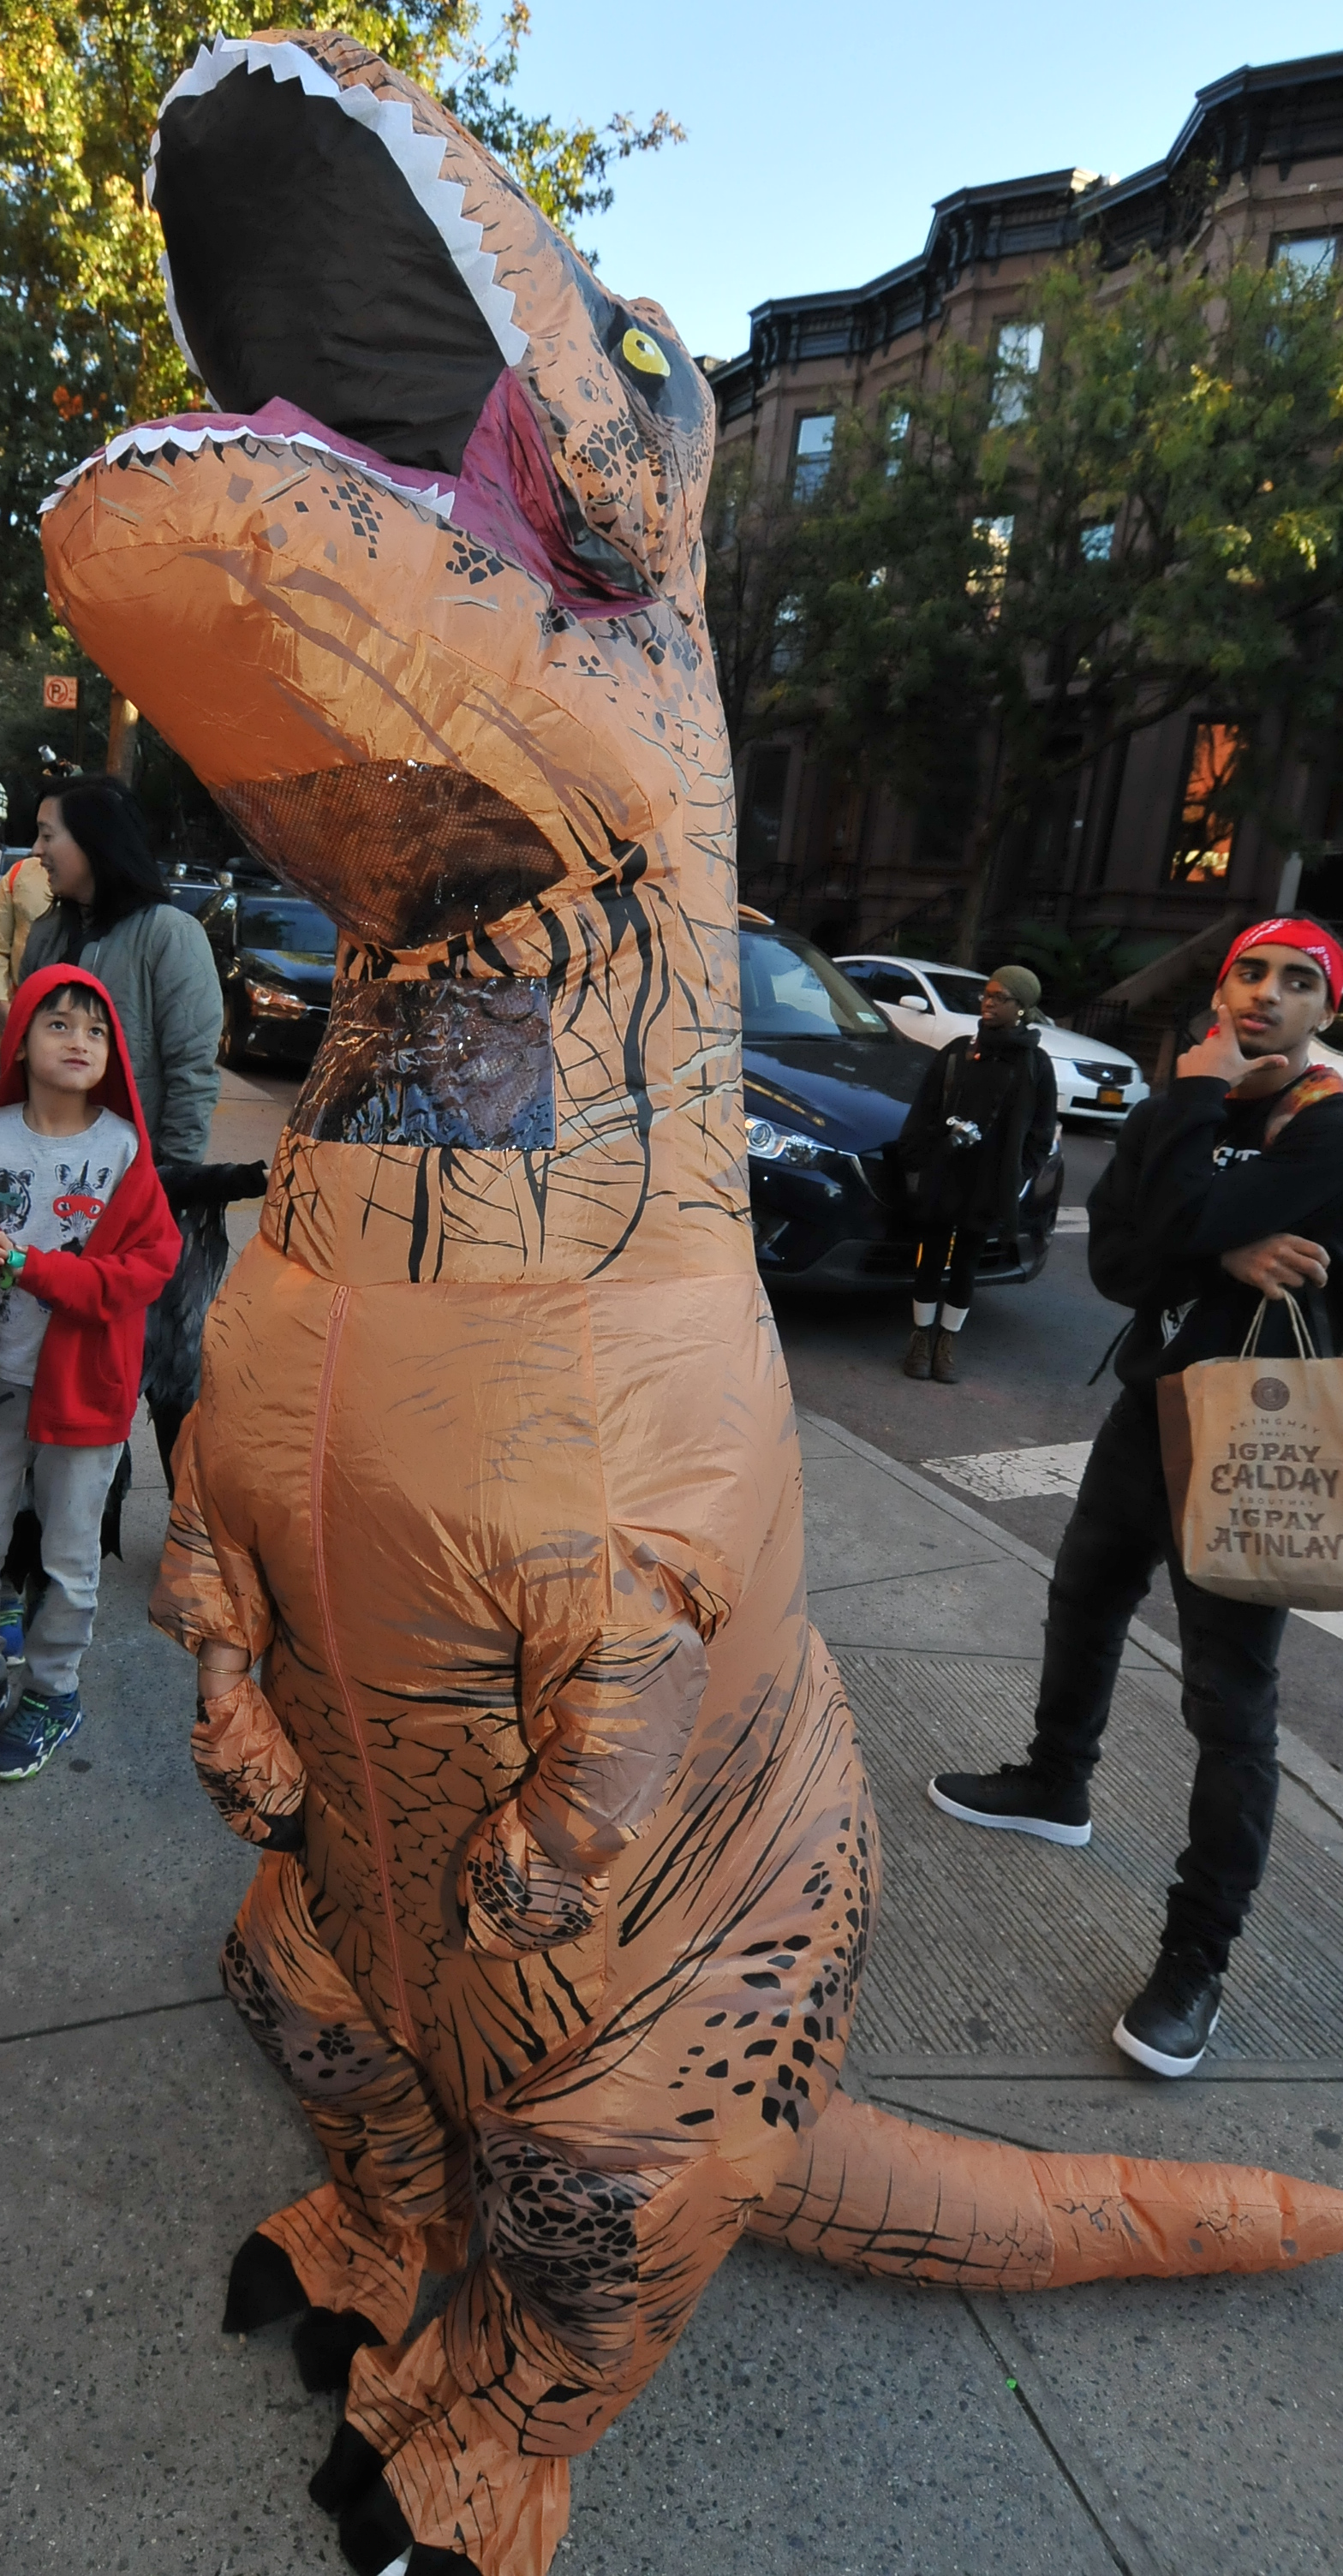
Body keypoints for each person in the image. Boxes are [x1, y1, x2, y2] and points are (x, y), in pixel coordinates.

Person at [928, 916, 1343, 2076]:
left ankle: (1195, 1960)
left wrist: (1197, 1184)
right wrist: (1221, 1244)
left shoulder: (1327, 1126)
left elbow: (1171, 1220)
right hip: (1144, 1407)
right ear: (1221, 990)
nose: (1265, 994)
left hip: (1253, 1436)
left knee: (1231, 1705)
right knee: (1085, 1598)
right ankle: (1055, 1781)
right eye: (1248, 971)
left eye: (1296, 980)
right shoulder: (1188, 1105)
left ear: (1326, 1010)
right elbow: (1116, 1257)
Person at [0, 967, 179, 1780]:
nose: (80, 1041)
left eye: (96, 1031)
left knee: (70, 1556)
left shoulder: (123, 1152)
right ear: (19, 1041)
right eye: (59, 1024)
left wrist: (32, 1267)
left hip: (85, 1391)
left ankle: (53, 1692)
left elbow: (148, 1269)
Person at [21, 774, 222, 1162]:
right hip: (42, 1164)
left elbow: (192, 1072)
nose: (36, 850)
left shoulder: (169, 935)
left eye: (47, 836)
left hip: (131, 1171)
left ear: (95, 841)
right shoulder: (46, 934)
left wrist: (175, 1172)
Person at [897, 963, 1057, 1382]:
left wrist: (1019, 1172)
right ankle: (920, 1338)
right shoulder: (957, 1052)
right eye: (987, 994)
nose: (989, 1003)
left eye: (1000, 997)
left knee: (968, 1263)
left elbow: (1041, 1130)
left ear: (1021, 1007)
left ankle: (946, 1343)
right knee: (931, 1257)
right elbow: (925, 1109)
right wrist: (921, 1155)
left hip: (990, 1181)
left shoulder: (1036, 1064)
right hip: (946, 1172)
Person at [0, 852, 53, 1013]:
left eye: (48, 839)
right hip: (16, 1005)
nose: (38, 848)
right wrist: (3, 1004)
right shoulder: (20, 873)